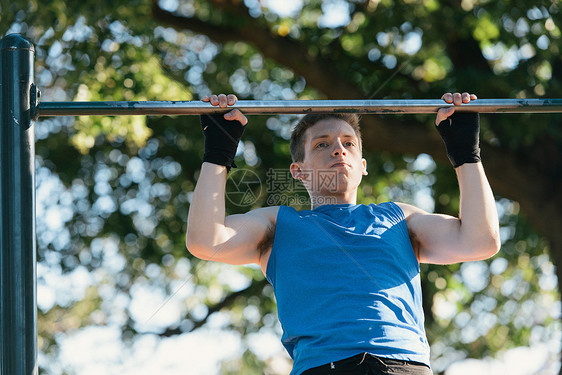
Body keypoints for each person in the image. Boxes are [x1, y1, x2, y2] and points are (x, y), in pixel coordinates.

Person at [186, 92, 500, 375]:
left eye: (348, 143)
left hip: (404, 366)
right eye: (322, 144)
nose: (338, 149)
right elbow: (206, 241)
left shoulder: (399, 217)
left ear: (362, 165)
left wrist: (465, 154)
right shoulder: (278, 224)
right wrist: (218, 153)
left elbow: (480, 241)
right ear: (298, 170)